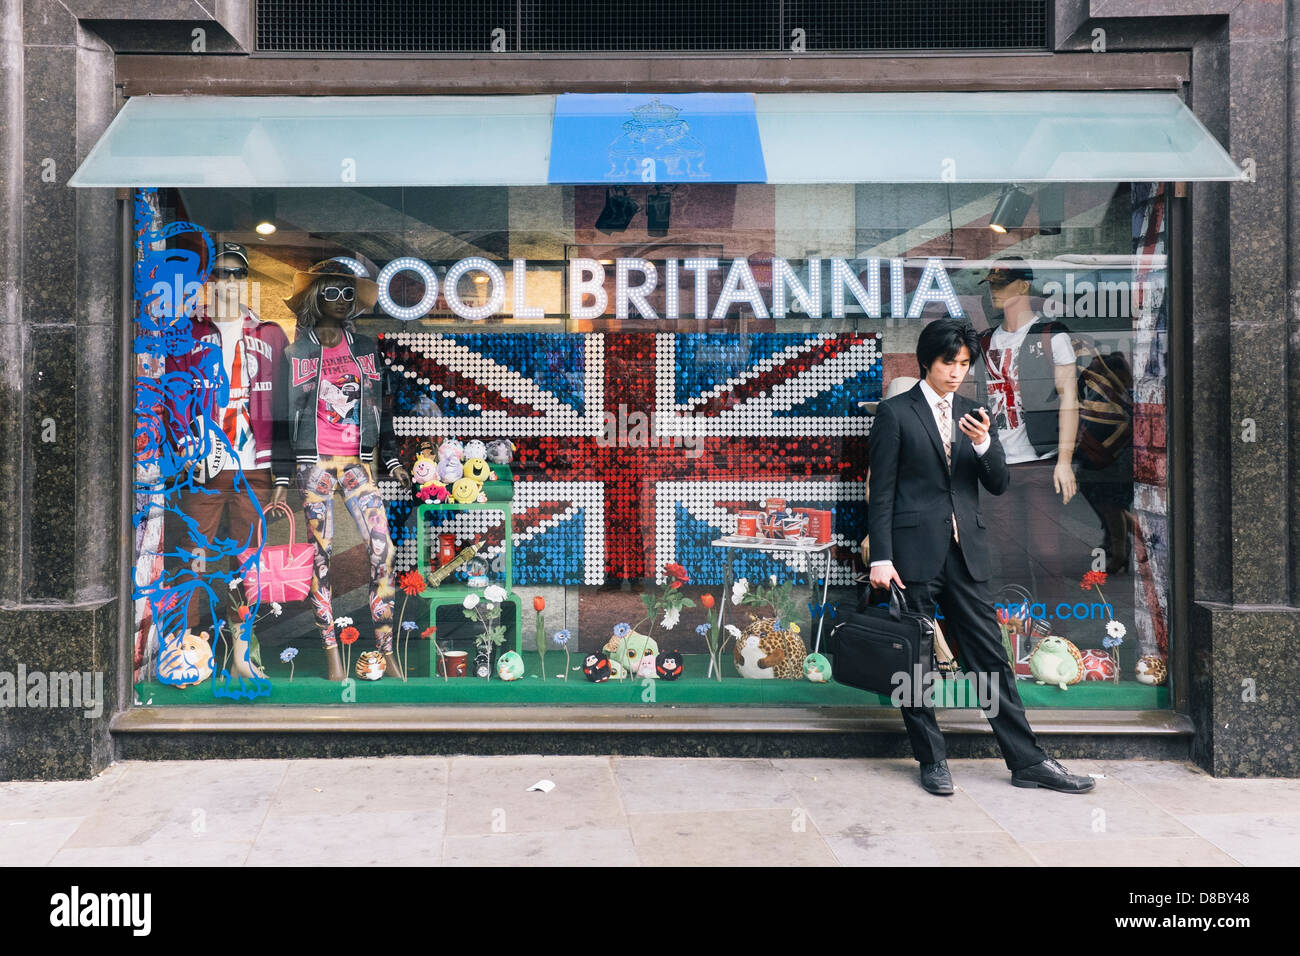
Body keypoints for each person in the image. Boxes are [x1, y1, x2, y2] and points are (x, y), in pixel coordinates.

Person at [867, 318, 1094, 795]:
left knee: (990, 658)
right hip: (911, 556)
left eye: (965, 364)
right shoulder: (895, 413)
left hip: (966, 554)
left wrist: (984, 443)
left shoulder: (975, 412)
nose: (956, 372)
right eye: (949, 362)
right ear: (927, 360)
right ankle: (932, 760)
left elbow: (998, 483)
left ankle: (1027, 760)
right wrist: (881, 558)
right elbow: (881, 492)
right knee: (916, 662)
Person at [274, 259, 411, 681]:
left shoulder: (367, 349)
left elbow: (381, 408)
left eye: (347, 293)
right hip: (313, 465)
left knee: (382, 549)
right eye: (331, 292)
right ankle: (332, 651)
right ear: (316, 299)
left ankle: (386, 650)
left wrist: (389, 458)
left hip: (356, 463)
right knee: (322, 558)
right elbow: (281, 417)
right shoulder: (295, 353)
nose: (341, 300)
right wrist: (281, 478)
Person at [168, 241, 286, 681]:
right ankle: (186, 652)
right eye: (222, 272)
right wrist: (184, 446)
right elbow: (173, 394)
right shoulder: (188, 333)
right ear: (208, 279)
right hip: (204, 465)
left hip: (254, 464)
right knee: (192, 557)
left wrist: (284, 470)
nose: (231, 280)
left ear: (247, 279)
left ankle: (242, 653)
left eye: (239, 273)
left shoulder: (270, 334)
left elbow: (286, 400)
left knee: (247, 562)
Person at [974, 257, 1082, 614]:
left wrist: (1064, 461)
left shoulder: (1051, 335)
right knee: (1003, 555)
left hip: (1040, 463)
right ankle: (1009, 639)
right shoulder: (984, 341)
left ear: (1023, 286)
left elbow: (1069, 398)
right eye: (990, 284)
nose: (994, 291)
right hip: (996, 465)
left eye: (1001, 284)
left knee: (1046, 554)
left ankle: (1056, 636)